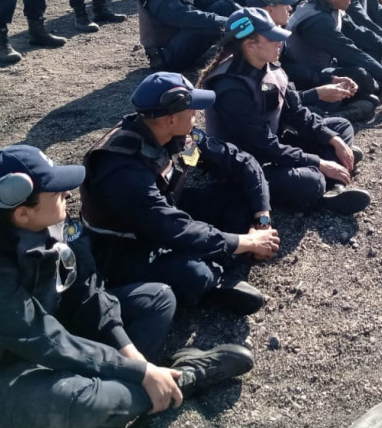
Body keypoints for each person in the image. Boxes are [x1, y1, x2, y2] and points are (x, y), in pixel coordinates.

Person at [0, 144, 253, 428]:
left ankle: (120, 404)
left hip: (55, 333)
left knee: (156, 299)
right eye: (55, 190)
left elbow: (87, 289)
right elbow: (46, 341)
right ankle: (183, 380)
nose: (67, 191)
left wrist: (130, 355)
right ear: (21, 213)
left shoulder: (44, 221)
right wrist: (142, 372)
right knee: (79, 403)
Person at [82, 73, 280, 311]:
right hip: (126, 243)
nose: (197, 115)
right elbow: (169, 226)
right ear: (171, 118)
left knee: (239, 196)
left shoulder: (178, 135)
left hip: (169, 209)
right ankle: (217, 277)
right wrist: (245, 240)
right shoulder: (120, 167)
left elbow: (241, 161)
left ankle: (226, 257)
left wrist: (263, 218)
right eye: (192, 110)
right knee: (195, 275)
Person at [201, 8, 372, 215]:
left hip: (273, 142)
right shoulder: (231, 88)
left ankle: (333, 178)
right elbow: (261, 145)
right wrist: (317, 161)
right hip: (245, 163)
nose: (279, 42)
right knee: (310, 181)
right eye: (272, 38)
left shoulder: (270, 67)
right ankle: (327, 187)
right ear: (249, 45)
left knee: (339, 128)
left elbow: (298, 114)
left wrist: (332, 140)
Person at [242, 0, 377, 123]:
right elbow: (271, 98)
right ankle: (341, 116)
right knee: (309, 114)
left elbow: (289, 69)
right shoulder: (255, 43)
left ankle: (338, 112)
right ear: (269, 9)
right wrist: (315, 94)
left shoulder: (275, 34)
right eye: (284, 4)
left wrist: (327, 80)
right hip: (268, 107)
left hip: (288, 90)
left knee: (354, 79)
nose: (289, 8)